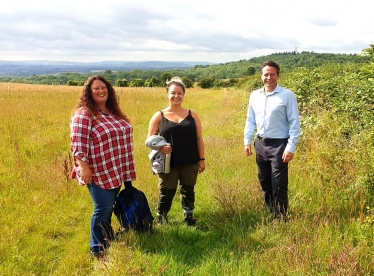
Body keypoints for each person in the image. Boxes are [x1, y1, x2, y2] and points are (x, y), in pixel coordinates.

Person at [70, 75, 136, 260]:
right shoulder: (84, 114)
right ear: (89, 93)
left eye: (103, 88)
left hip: (115, 168)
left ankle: (106, 238)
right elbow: (78, 143)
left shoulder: (111, 111)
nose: (101, 91)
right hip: (98, 171)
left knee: (107, 207)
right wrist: (83, 167)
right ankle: (98, 249)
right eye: (96, 89)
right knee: (102, 208)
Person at [244, 60, 300, 220]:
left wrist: (291, 147)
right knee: (264, 181)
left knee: (279, 182)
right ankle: (270, 210)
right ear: (261, 76)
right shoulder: (254, 95)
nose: (269, 77)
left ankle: (281, 216)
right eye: (266, 74)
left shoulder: (287, 95)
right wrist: (247, 141)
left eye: (272, 74)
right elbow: (250, 120)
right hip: (261, 144)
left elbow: (295, 122)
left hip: (279, 145)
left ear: (278, 76)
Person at [147, 77, 205, 226]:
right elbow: (150, 140)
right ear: (167, 94)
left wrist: (202, 159)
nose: (176, 96)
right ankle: (161, 217)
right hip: (167, 162)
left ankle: (188, 216)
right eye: (173, 93)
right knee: (167, 190)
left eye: (180, 93)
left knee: (188, 189)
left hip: (190, 160)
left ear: (184, 94)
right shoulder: (159, 115)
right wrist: (160, 148)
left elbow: (199, 139)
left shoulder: (192, 115)